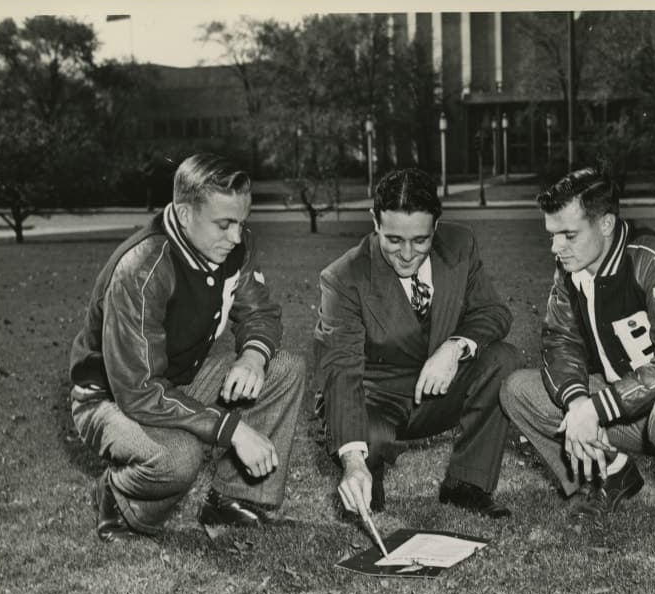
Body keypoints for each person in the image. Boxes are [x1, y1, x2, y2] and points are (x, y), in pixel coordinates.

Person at [69, 153, 306, 541]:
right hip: (110, 400)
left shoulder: (235, 245)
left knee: (284, 369)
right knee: (180, 456)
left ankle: (233, 501)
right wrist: (232, 430)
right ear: (183, 213)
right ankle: (119, 499)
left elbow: (260, 312)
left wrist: (252, 356)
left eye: (242, 223)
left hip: (177, 382)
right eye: (224, 224)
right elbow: (138, 391)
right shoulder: (142, 267)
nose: (236, 236)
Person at [499, 166, 655, 547]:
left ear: (607, 223)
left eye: (569, 234)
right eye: (552, 235)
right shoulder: (570, 270)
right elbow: (561, 342)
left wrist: (597, 409)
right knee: (518, 390)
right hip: (622, 405)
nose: (556, 247)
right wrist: (579, 402)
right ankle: (611, 474)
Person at [314, 167, 521, 520]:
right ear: (375, 221)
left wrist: (455, 346)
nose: (407, 253)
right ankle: (366, 481)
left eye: (420, 241)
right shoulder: (344, 277)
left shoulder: (460, 244)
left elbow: (493, 312)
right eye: (394, 240)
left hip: (439, 393)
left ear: (436, 227)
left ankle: (466, 485)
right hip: (373, 402)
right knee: (370, 440)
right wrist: (352, 460)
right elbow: (341, 370)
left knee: (504, 358)